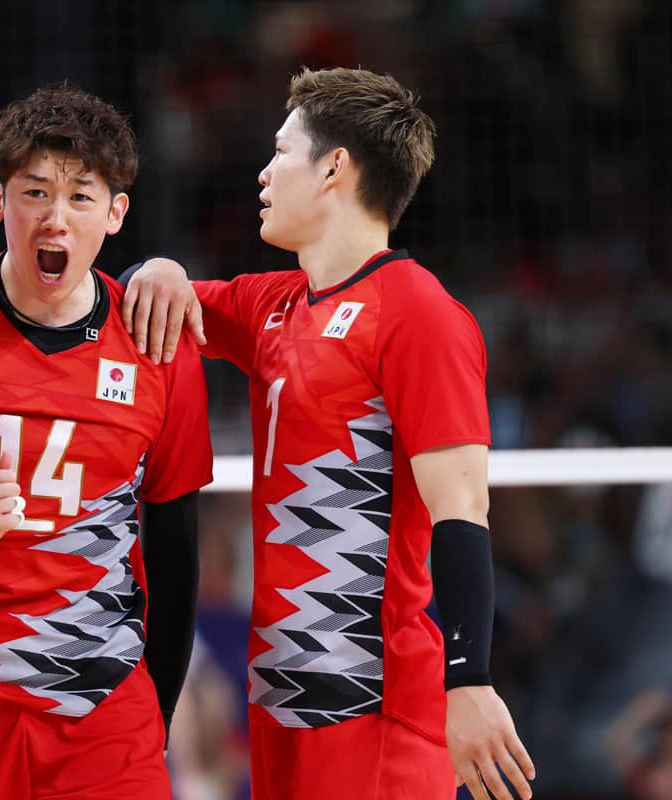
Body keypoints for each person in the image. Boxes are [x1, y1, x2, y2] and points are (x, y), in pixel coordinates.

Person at [122, 67, 537, 800]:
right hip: (280, 705)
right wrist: (155, 265)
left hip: (372, 706)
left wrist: (469, 679)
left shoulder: (419, 314)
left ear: (333, 168)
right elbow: (155, 299)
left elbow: (463, 510)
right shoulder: (275, 305)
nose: (263, 172)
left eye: (281, 151)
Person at [0, 85, 213, 800]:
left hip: (103, 709)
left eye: (81, 197)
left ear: (115, 214)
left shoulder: (158, 348)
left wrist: (158, 719)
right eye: (35, 192)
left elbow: (176, 557)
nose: (56, 217)